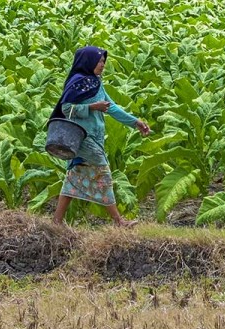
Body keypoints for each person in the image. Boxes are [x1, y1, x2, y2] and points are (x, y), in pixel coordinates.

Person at [50, 46, 150, 227]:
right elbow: (66, 109)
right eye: (99, 61)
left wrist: (136, 123)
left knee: (73, 178)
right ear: (88, 61)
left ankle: (56, 221)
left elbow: (111, 107)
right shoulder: (77, 82)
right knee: (104, 174)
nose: (103, 64)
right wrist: (91, 107)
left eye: (104, 61)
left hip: (95, 137)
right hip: (82, 139)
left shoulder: (96, 83)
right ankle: (119, 221)